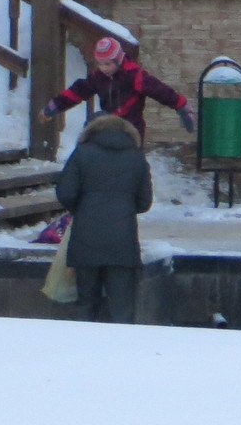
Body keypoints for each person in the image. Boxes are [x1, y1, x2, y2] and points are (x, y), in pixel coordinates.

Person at [55, 112, 152, 323]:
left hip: (86, 236)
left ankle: (85, 349)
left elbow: (65, 193)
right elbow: (145, 202)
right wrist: (124, 208)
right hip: (123, 239)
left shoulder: (81, 153)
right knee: (122, 306)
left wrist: (83, 209)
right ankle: (123, 351)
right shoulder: (136, 155)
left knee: (86, 302)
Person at [41, 36, 194, 140]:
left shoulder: (134, 76)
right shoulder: (98, 78)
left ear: (119, 59)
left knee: (130, 162)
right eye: (100, 64)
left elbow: (160, 91)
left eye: (108, 64)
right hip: (109, 126)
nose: (104, 68)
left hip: (131, 130)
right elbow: (77, 91)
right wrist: (54, 107)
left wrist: (181, 106)